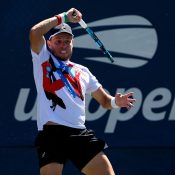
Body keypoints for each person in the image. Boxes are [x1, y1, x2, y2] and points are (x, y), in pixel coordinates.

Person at [29, 7, 136, 175]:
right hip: (52, 135)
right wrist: (63, 17)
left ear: (73, 43)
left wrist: (117, 102)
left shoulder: (83, 71)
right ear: (49, 43)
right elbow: (35, 32)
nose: (63, 45)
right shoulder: (42, 57)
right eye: (58, 41)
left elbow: (105, 101)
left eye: (67, 41)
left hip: (79, 133)